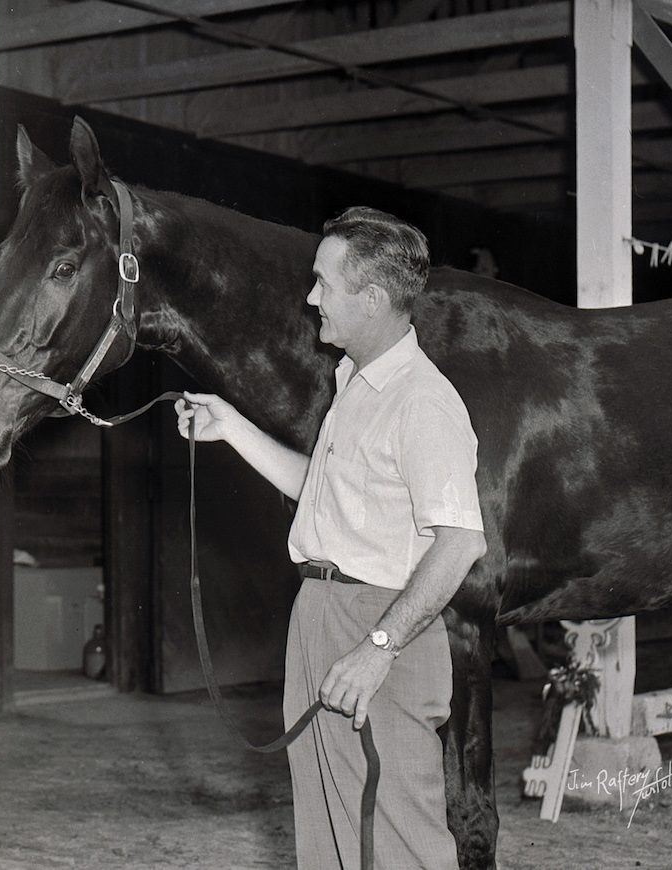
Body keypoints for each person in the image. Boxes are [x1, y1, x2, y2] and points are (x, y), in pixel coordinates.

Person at [175, 206, 486, 869]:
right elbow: (319, 493)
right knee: (328, 831)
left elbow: (459, 542)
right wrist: (231, 428)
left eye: (323, 283)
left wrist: (378, 647)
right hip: (320, 613)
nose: (311, 297)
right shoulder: (354, 385)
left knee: (395, 835)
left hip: (379, 625)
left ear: (372, 299)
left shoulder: (421, 402)